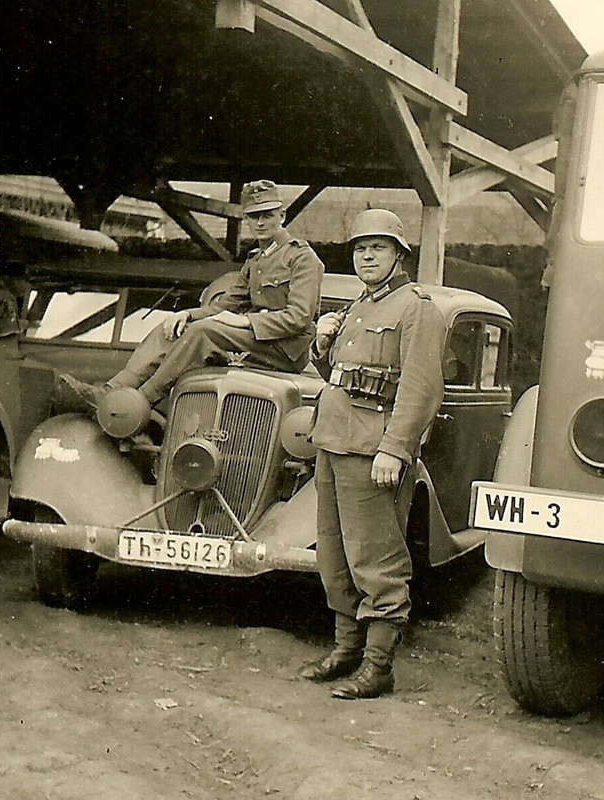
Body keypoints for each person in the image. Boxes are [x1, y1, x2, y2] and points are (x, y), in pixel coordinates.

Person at [300, 209, 445, 699]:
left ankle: (378, 665)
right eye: (360, 248)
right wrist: (321, 345)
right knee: (335, 552)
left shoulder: (415, 307)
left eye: (378, 248)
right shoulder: (358, 306)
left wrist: (395, 449)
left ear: (399, 255)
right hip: (332, 442)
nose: (367, 256)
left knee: (376, 557)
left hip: (372, 450)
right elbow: (338, 379)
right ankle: (345, 650)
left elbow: (421, 388)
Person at [60, 180, 324, 410]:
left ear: (282, 215)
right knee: (172, 329)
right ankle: (110, 392)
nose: (260, 222)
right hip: (258, 342)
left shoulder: (302, 258)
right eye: (253, 216)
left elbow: (299, 318)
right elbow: (227, 303)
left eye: (267, 214)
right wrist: (186, 314)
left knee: (203, 332)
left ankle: (139, 402)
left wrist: (245, 322)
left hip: (285, 350)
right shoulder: (256, 260)